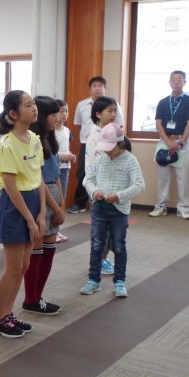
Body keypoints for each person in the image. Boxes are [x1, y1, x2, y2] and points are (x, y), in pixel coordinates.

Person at [0, 91, 41, 339]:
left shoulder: (35, 139)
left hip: (32, 201)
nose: (34, 108)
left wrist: (41, 214)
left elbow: (39, 178)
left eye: (34, 104)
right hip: (14, 206)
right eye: (28, 105)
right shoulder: (6, 145)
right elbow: (10, 187)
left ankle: (8, 314)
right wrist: (29, 218)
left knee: (24, 266)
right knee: (12, 268)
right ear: (13, 113)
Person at [81, 122, 145, 298]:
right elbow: (88, 179)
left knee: (119, 246)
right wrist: (95, 191)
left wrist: (119, 195)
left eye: (111, 147)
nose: (107, 151)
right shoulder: (101, 159)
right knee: (96, 245)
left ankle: (119, 282)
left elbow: (139, 185)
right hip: (99, 209)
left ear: (120, 143)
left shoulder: (130, 160)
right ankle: (93, 280)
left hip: (119, 212)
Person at [21, 96, 65, 317]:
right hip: (41, 197)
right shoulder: (34, 141)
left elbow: (57, 175)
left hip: (54, 194)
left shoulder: (50, 139)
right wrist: (55, 208)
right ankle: (31, 299)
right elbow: (39, 180)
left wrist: (62, 203)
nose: (57, 118)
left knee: (49, 248)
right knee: (36, 249)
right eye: (53, 114)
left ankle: (38, 297)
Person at [69, 76, 124, 213]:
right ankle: (81, 202)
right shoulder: (82, 105)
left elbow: (120, 125)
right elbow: (78, 125)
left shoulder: (114, 104)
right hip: (88, 143)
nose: (97, 88)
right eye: (94, 86)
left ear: (104, 88)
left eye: (100, 86)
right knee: (83, 172)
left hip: (110, 146)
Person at [149, 70, 189, 220]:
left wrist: (181, 142)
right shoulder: (163, 102)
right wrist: (168, 142)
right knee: (162, 177)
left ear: (184, 83)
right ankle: (160, 207)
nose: (176, 82)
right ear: (169, 82)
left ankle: (183, 208)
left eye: (179, 80)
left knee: (182, 177)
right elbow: (158, 124)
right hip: (165, 142)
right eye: (173, 80)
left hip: (183, 142)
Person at [54, 99, 75, 243]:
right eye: (61, 111)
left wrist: (70, 155)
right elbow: (49, 152)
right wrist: (62, 156)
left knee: (62, 199)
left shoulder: (67, 131)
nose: (64, 114)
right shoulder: (51, 131)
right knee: (54, 199)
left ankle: (56, 230)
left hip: (65, 169)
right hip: (54, 169)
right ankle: (52, 230)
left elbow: (66, 148)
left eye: (66, 111)